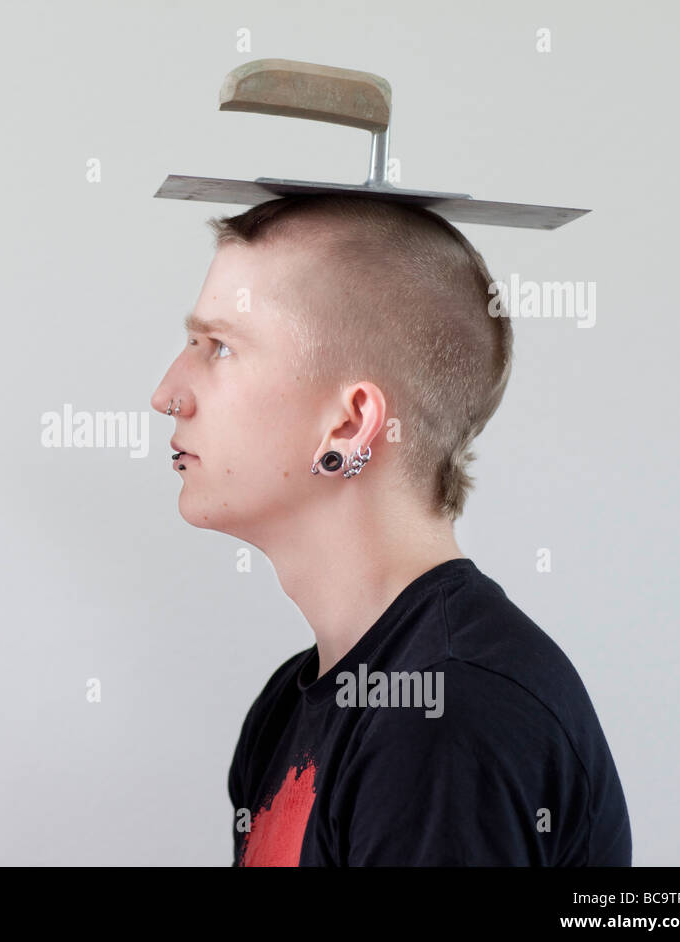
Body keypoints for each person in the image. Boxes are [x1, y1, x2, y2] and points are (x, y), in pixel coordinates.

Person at [150, 194, 631, 866]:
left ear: (348, 426)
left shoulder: (446, 717)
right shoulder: (293, 704)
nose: (169, 392)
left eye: (219, 347)